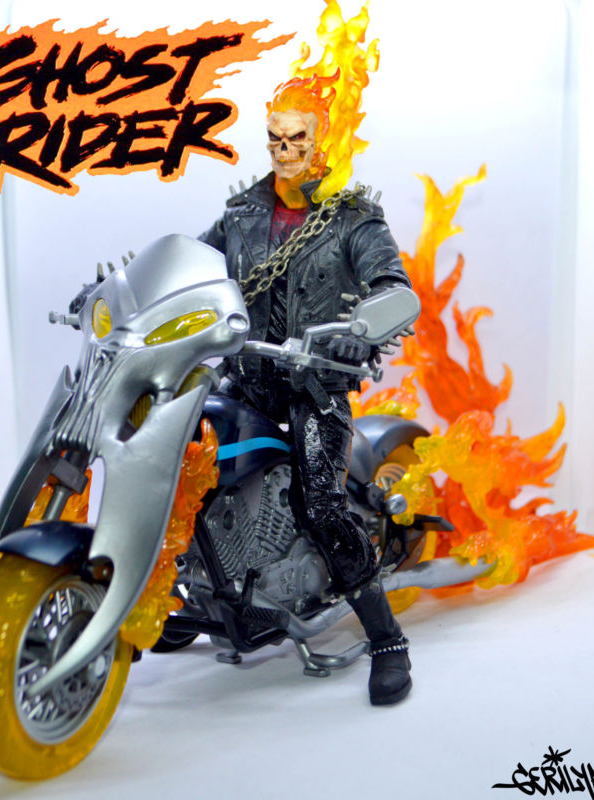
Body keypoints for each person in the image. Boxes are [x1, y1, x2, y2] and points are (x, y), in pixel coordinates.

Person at [198, 76, 414, 705]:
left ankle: (387, 639)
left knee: (321, 504)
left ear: (325, 140)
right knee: (191, 467)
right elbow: (194, 264)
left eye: (297, 138)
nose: (284, 150)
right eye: (275, 137)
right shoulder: (242, 213)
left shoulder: (352, 217)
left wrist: (358, 334)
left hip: (313, 386)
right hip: (246, 378)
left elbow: (391, 285)